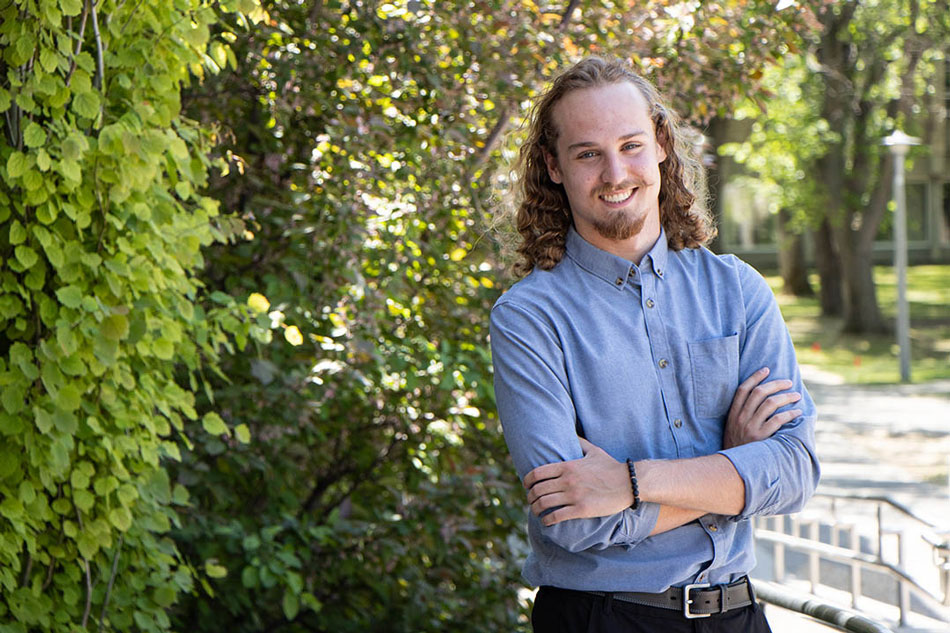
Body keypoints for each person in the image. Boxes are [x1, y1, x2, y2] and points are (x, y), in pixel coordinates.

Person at [489, 57, 820, 632]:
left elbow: (794, 470)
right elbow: (576, 522)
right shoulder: (528, 318)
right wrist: (732, 470)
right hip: (600, 619)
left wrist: (630, 484)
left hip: (738, 615)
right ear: (554, 166)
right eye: (588, 154)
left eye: (631, 145)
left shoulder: (737, 290)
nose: (615, 173)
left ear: (662, 145)